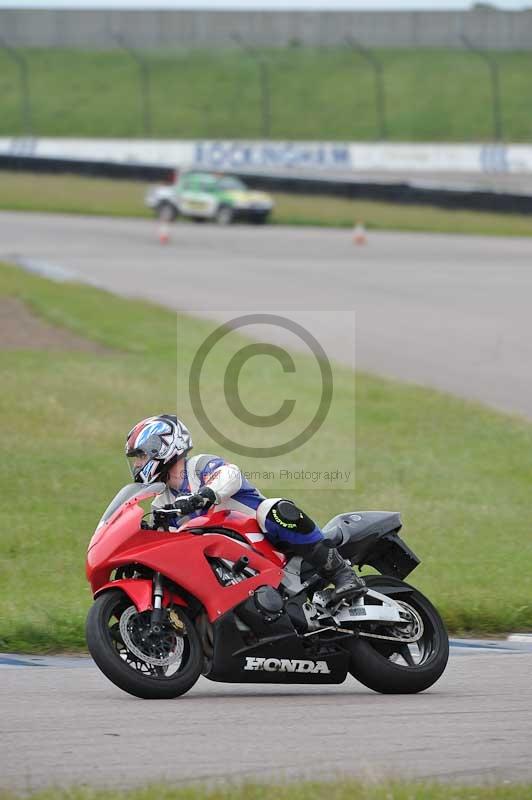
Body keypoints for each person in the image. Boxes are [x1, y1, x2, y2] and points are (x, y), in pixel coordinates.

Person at [125, 414, 365, 601]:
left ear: (163, 447)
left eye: (141, 455)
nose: (137, 463)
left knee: (274, 509)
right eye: (135, 458)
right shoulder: (161, 501)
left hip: (264, 543)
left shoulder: (199, 466)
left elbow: (230, 474)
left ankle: (342, 574)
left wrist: (203, 495)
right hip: (226, 566)